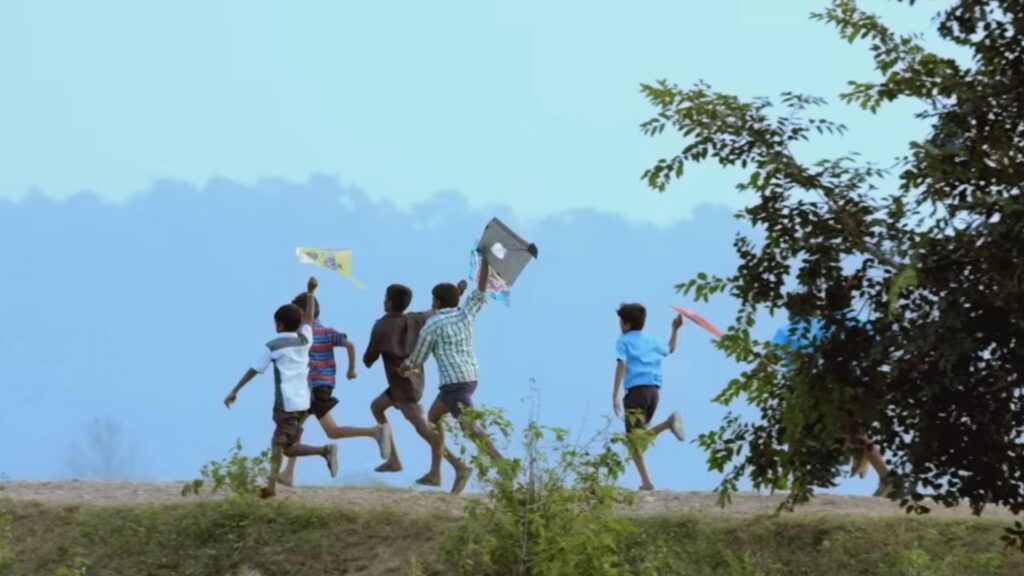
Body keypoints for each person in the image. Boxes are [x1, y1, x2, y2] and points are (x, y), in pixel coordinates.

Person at [399, 247, 502, 493]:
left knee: (470, 427)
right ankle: (445, 471)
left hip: (454, 383)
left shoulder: (432, 326)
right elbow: (481, 289)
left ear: (435, 301)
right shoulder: (465, 314)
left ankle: (500, 463)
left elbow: (417, 359)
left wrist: (404, 369)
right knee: (433, 420)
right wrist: (486, 261)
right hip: (470, 377)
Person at [223, 276, 337, 498]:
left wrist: (235, 390)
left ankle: (273, 486)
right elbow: (309, 318)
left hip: (286, 404)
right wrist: (311, 292)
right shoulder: (304, 340)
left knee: (279, 445)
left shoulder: (273, 346)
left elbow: (254, 370)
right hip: (304, 402)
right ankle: (321, 453)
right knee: (287, 446)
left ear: (279, 324)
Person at [363, 282, 472, 493]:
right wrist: (458, 292)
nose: (383, 301)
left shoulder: (381, 327)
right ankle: (394, 459)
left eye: (385, 298)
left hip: (403, 388)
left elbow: (369, 359)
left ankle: (459, 466)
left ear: (389, 302)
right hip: (412, 383)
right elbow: (437, 310)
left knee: (426, 432)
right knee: (377, 406)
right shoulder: (415, 319)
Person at [277, 291, 393, 487]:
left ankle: (374, 432)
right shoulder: (327, 331)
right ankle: (288, 473)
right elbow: (349, 345)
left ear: (303, 313)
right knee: (311, 429)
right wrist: (351, 368)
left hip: (312, 388)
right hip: (324, 387)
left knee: (314, 430)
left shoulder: (304, 334)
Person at [771, 311, 891, 497]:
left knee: (796, 431)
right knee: (855, 432)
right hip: (850, 383)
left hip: (813, 389)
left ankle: (797, 484)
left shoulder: (786, 331)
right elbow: (874, 338)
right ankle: (883, 474)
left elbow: (773, 359)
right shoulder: (837, 323)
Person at [612, 303, 685, 492]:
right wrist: (674, 329)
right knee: (638, 440)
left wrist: (615, 394)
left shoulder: (623, 341)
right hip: (653, 393)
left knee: (634, 441)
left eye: (621, 322)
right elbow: (670, 349)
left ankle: (647, 482)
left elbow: (621, 365)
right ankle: (646, 482)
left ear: (626, 324)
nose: (619, 325)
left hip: (636, 393)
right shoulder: (652, 340)